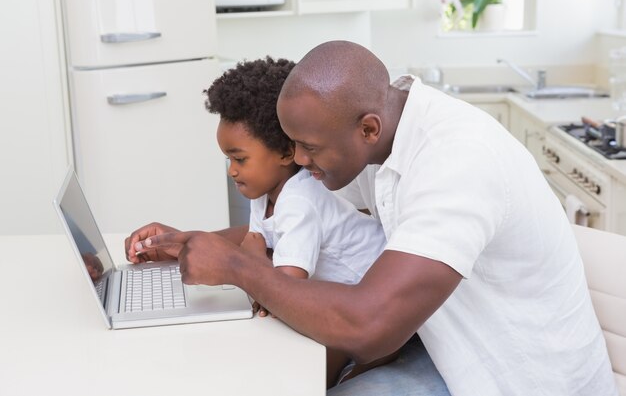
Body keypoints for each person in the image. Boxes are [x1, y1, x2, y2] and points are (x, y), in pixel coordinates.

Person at [127, 41, 618, 396]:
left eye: (310, 148)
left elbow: (370, 325)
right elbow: (303, 216)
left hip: (516, 378)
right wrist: (192, 243)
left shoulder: (458, 162)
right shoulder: (379, 135)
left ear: (367, 128)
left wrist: (235, 268)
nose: (297, 160)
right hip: (449, 347)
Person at [127, 56, 390, 387]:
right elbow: (256, 243)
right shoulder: (265, 193)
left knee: (299, 372)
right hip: (337, 292)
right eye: (228, 159)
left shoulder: (298, 202)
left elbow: (286, 288)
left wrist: (248, 262)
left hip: (372, 308)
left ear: (284, 153)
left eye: (240, 159)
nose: (231, 170)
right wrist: (181, 243)